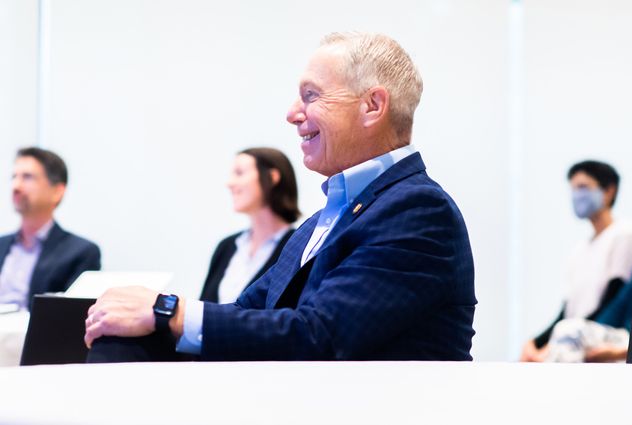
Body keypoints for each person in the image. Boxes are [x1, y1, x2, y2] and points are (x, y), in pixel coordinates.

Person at [84, 32, 476, 362]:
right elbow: (244, 313)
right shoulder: (321, 222)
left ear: (372, 106)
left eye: (311, 95)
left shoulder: (418, 210)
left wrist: (166, 311)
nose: (292, 113)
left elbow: (320, 335)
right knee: (119, 337)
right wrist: (144, 314)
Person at [520, 160, 632, 362]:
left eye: (583, 187)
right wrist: (537, 342)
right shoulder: (580, 250)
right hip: (574, 333)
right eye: (572, 189)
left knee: (569, 332)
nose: (576, 195)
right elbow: (567, 312)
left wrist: (554, 345)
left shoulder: (624, 234)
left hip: (608, 332)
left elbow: (615, 298)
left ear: (608, 191)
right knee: (531, 350)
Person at [0, 147, 101, 310]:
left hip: (32, 334)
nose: (16, 186)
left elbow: (69, 317)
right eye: (14, 177)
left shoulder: (81, 253)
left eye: (27, 177)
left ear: (57, 191)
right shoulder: (2, 245)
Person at [200, 147, 299, 303]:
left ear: (272, 177)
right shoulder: (226, 246)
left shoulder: (298, 247)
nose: (229, 183)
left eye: (239, 173)